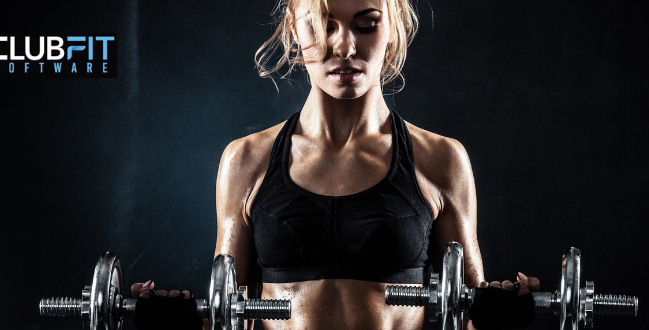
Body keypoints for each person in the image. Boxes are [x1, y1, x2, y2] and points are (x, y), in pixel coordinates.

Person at [133, 0, 540, 329]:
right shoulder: (246, 161)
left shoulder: (441, 160)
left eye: (366, 25)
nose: (344, 47)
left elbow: (470, 315)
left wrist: (501, 314)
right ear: (294, 28)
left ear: (393, 27)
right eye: (324, 25)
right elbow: (224, 317)